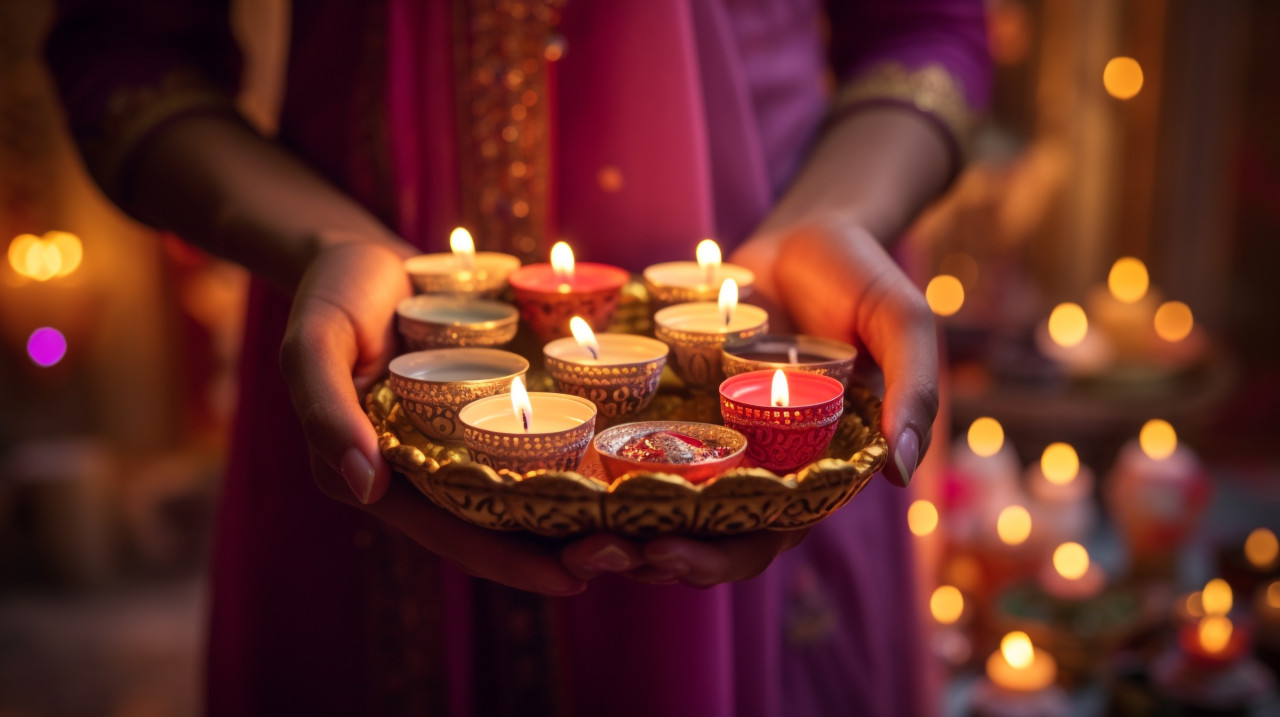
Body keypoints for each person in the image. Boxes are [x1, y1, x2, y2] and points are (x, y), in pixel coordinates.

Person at [47, 0, 990, 714]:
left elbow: (926, 28)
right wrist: (324, 246)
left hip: (779, 322)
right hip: (372, 356)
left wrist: (833, 220)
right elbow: (127, 51)